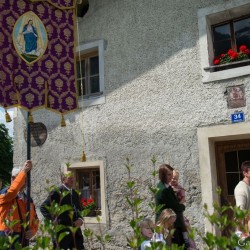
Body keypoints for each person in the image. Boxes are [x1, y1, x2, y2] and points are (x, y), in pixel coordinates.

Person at [40, 170, 85, 250]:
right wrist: (53, 219)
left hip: (76, 232)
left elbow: (79, 210)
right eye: (70, 178)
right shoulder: (57, 192)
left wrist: (80, 219)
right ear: (63, 179)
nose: (72, 180)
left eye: (73, 178)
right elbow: (43, 207)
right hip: (62, 232)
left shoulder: (75, 193)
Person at [0, 160, 39, 248]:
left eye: (25, 178)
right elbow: (13, 191)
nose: (25, 181)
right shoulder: (4, 194)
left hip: (23, 238)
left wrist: (33, 230)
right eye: (22, 178)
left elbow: (35, 219)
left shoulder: (28, 199)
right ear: (13, 178)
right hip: (7, 237)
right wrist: (24, 171)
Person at [155, 164, 189, 249]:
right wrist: (182, 206)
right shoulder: (164, 190)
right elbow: (176, 207)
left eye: (171, 174)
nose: (171, 177)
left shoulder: (164, 186)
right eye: (169, 174)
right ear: (163, 175)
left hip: (171, 223)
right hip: (168, 223)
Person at [170, 170, 197, 249]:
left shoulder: (179, 188)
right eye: (172, 178)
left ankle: (186, 239)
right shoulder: (168, 188)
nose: (173, 180)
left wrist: (179, 204)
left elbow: (183, 198)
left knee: (184, 224)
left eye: (176, 179)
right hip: (171, 211)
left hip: (178, 210)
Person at [234, 161, 250, 241]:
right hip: (244, 233)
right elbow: (240, 213)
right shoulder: (241, 188)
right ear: (245, 173)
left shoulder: (248, 186)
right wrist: (243, 234)